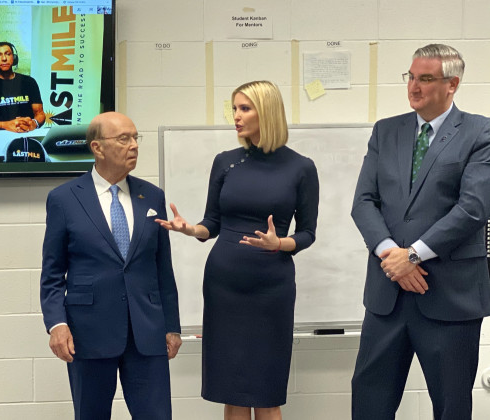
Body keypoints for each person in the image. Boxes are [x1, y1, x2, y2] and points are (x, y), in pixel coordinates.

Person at [156, 80, 319, 420]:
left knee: (266, 391)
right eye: (234, 108)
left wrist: (280, 244)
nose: (236, 116)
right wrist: (190, 230)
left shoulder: (301, 167)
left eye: (244, 108)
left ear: (268, 112)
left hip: (270, 286)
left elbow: (307, 233)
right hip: (224, 285)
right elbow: (211, 223)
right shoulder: (226, 162)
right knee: (232, 391)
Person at [350, 44, 490, 420]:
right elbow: (363, 202)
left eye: (425, 78)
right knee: (369, 403)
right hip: (387, 295)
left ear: (452, 84)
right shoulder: (386, 131)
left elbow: (474, 207)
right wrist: (389, 255)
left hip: (450, 297)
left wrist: (412, 255)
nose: (413, 86)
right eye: (410, 76)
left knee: (450, 406)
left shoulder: (480, 131)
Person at [40, 111, 182, 419]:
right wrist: (57, 324)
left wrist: (171, 325)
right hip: (88, 333)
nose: (134, 146)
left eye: (135, 138)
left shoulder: (152, 196)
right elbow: (52, 274)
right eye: (123, 139)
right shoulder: (64, 199)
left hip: (147, 332)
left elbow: (162, 268)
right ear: (97, 148)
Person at [0, 41, 45, 132]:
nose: (4, 58)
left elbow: (40, 114)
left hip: (26, 135)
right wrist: (5, 125)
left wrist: (34, 123)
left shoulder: (29, 82)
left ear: (14, 58)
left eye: (8, 54)